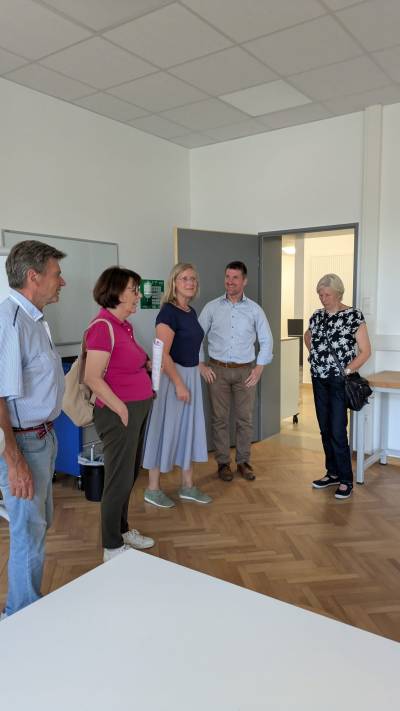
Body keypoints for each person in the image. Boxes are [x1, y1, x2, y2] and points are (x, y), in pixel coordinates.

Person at [0, 240, 66, 618]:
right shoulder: (11, 322)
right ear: (33, 277)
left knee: (37, 527)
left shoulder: (34, 319)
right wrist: (14, 462)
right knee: (27, 532)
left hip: (42, 438)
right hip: (23, 443)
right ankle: (20, 616)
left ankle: (26, 607)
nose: (62, 281)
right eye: (57, 274)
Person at [84, 267, 155, 561]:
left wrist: (145, 365)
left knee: (128, 475)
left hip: (135, 410)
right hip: (118, 414)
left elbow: (124, 362)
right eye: (133, 290)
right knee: (117, 480)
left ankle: (122, 530)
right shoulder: (103, 327)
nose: (138, 295)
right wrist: (121, 408)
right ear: (115, 292)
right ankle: (112, 547)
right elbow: (92, 377)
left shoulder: (123, 326)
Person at [142, 263, 212, 508]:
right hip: (173, 378)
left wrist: (196, 370)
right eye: (184, 278)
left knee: (188, 429)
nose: (190, 283)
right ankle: (152, 488)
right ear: (174, 282)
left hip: (190, 375)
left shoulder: (190, 312)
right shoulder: (168, 313)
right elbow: (162, 354)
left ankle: (187, 485)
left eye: (193, 279)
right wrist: (180, 384)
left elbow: (192, 347)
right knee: (165, 428)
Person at [198, 261, 273, 482]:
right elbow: (195, 337)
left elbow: (266, 340)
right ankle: (223, 463)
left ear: (244, 281)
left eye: (235, 278)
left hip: (245, 372)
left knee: (244, 419)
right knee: (219, 419)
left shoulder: (254, 310)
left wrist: (259, 367)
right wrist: (200, 364)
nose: (230, 282)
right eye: (227, 277)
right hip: (217, 371)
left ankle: (243, 462)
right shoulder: (212, 307)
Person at [304, 273, 371, 500]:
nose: (323, 299)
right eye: (320, 295)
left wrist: (347, 371)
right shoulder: (317, 316)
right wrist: (315, 355)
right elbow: (308, 336)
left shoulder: (353, 316)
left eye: (327, 295)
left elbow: (366, 351)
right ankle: (332, 473)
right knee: (325, 428)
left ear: (339, 294)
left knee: (338, 430)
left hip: (339, 381)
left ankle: (345, 479)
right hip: (318, 379)